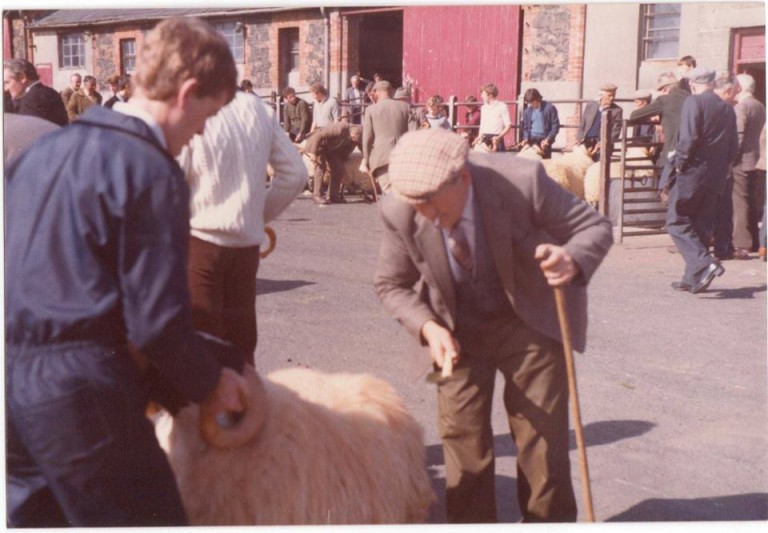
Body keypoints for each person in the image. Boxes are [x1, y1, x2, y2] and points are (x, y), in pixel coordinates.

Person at [5, 17, 250, 527]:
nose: (204, 129)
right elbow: (156, 322)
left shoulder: (43, 152)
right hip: (79, 391)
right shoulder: (148, 168)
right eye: (209, 113)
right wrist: (211, 383)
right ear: (187, 93)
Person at [374, 128, 613, 523]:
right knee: (462, 445)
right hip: (455, 332)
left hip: (528, 322)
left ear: (462, 178)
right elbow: (391, 284)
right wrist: (428, 328)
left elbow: (594, 227)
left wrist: (571, 259)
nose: (428, 218)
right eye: (418, 207)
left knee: (541, 444)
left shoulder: (522, 181)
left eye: (433, 204)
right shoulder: (401, 208)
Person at [177, 89, 307, 363]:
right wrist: (256, 216)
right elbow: (295, 174)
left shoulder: (187, 107)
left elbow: (171, 182)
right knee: (240, 348)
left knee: (200, 352)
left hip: (199, 244)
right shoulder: (258, 108)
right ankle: (243, 405)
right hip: (246, 246)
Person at [666, 66, 738, 294]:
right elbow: (733, 147)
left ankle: (705, 264)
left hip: (693, 172)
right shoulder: (728, 109)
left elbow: (689, 137)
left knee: (676, 221)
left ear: (693, 84)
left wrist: (679, 162)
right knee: (701, 226)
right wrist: (724, 169)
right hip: (716, 177)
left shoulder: (694, 102)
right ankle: (693, 278)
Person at [731, 73, 766, 258]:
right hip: (756, 160)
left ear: (740, 87)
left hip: (742, 161)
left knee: (740, 202)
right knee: (751, 201)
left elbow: (739, 135)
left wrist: (730, 158)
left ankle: (742, 244)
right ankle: (754, 240)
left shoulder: (741, 106)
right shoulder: (760, 105)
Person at [628, 72, 689, 174]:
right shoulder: (690, 97)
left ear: (665, 89)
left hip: (672, 153)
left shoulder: (664, 100)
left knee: (662, 181)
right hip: (690, 153)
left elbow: (634, 116)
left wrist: (654, 118)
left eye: (660, 91)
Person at [361, 80, 416, 193]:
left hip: (382, 158)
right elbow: (414, 135)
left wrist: (366, 160)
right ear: (391, 92)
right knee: (403, 192)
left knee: (390, 194)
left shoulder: (371, 110)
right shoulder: (406, 107)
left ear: (377, 92)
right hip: (403, 157)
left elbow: (367, 139)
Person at [303, 121, 362, 205]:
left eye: (355, 140)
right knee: (320, 167)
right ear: (353, 132)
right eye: (353, 138)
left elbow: (362, 148)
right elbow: (319, 135)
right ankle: (316, 195)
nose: (353, 140)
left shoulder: (357, 136)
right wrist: (313, 153)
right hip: (319, 144)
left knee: (339, 168)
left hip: (332, 149)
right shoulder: (340, 128)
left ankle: (333, 196)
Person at [3, 58, 68, 126]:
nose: (5, 89)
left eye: (7, 82)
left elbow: (28, 133)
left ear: (22, 77)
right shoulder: (50, 92)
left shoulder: (32, 100)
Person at [576, 82, 623, 161]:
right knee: (581, 164)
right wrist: (580, 138)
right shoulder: (591, 105)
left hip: (602, 142)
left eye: (613, 95)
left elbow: (616, 131)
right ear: (602, 95)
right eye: (609, 95)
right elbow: (582, 123)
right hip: (587, 140)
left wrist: (604, 142)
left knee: (599, 166)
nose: (612, 98)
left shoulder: (617, 110)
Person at [519, 87, 560, 159]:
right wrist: (525, 139)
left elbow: (555, 126)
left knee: (544, 164)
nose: (530, 105)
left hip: (544, 139)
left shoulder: (549, 108)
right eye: (529, 103)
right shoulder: (527, 111)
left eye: (532, 102)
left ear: (537, 99)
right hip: (531, 139)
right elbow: (525, 128)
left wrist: (548, 139)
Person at [476, 82, 512, 152]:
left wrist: (499, 137)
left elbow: (508, 125)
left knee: (497, 162)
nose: (481, 96)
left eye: (483, 94)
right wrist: (479, 136)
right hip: (484, 139)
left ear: (490, 95)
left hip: (496, 139)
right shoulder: (483, 108)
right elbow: (482, 125)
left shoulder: (502, 106)